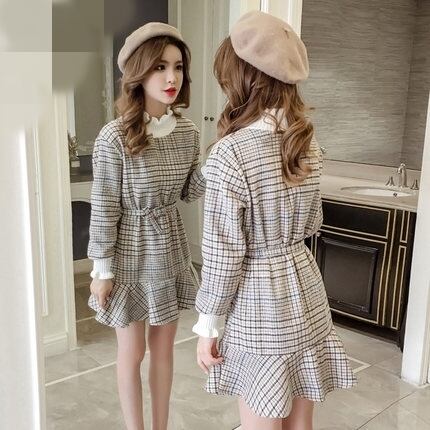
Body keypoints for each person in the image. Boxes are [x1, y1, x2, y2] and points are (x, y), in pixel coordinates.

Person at [192, 11, 356, 430]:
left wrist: (207, 324)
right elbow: (312, 222)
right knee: (301, 423)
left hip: (259, 305)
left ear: (240, 78)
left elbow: (223, 255)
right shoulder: (306, 143)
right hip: (306, 291)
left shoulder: (231, 153)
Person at [87, 22, 205, 430]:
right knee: (132, 351)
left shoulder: (187, 132)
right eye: (159, 67)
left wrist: (220, 159)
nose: (172, 78)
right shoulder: (113, 137)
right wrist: (102, 271)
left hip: (169, 248)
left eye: (178, 67)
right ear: (139, 73)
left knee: (164, 348)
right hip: (128, 254)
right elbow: (104, 207)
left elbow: (190, 191)